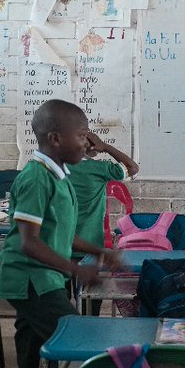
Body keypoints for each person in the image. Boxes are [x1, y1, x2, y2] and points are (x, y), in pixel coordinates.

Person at [0, 100, 116, 368]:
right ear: (55, 139)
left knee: (35, 358)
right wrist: (75, 269)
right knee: (77, 344)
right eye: (81, 135)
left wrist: (101, 251)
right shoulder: (36, 178)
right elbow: (29, 242)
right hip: (31, 281)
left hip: (44, 278)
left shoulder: (60, 175)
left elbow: (61, 233)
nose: (88, 142)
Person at [66, 127, 138, 315]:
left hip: (61, 246)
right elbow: (133, 167)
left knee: (61, 304)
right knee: (90, 303)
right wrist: (105, 147)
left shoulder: (59, 168)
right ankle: (89, 334)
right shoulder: (100, 168)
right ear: (89, 146)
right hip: (91, 247)